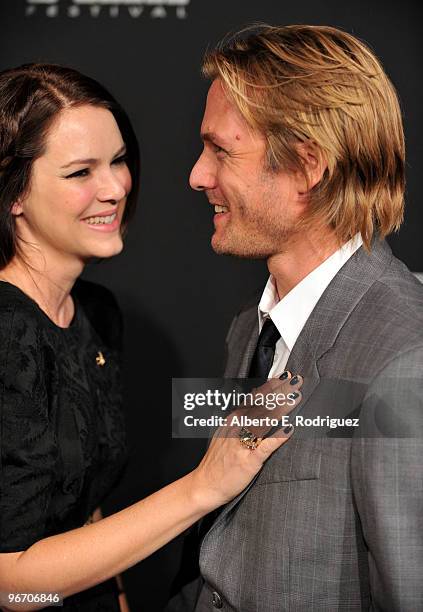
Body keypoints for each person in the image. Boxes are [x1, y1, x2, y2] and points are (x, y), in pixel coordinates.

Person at [0, 63, 302, 612]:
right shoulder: (5, 333)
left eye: (117, 161)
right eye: (79, 173)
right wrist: (203, 487)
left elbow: (81, 506)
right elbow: (10, 585)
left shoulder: (95, 313)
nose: (114, 188)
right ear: (13, 194)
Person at [169, 24, 423, 611]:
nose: (197, 176)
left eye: (221, 150)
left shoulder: (405, 359)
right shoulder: (250, 330)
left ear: (308, 169)